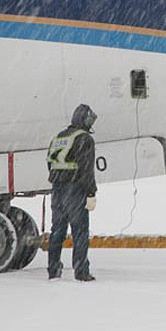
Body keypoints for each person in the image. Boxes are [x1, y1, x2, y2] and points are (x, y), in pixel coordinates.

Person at [46, 103, 98, 281]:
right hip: (75, 189)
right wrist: (91, 192)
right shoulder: (84, 139)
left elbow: (49, 163)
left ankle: (53, 270)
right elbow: (87, 169)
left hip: (57, 189)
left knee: (57, 231)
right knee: (80, 232)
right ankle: (81, 271)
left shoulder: (59, 137)